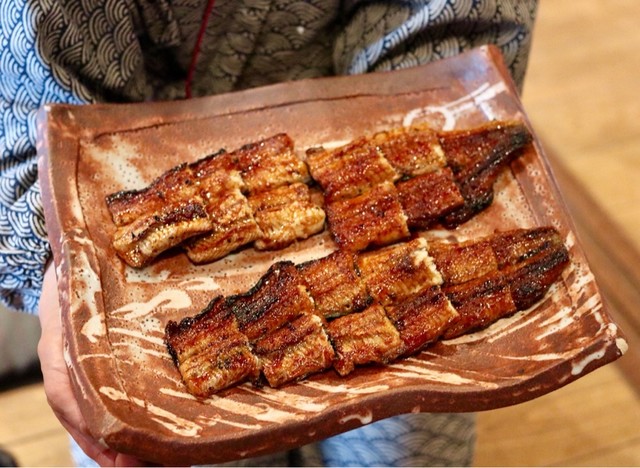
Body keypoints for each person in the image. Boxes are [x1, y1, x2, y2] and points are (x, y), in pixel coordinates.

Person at [1, 1, 537, 466]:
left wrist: (403, 108)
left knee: (408, 446)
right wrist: (58, 259)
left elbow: (453, 26)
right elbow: (31, 112)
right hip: (127, 185)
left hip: (361, 143)